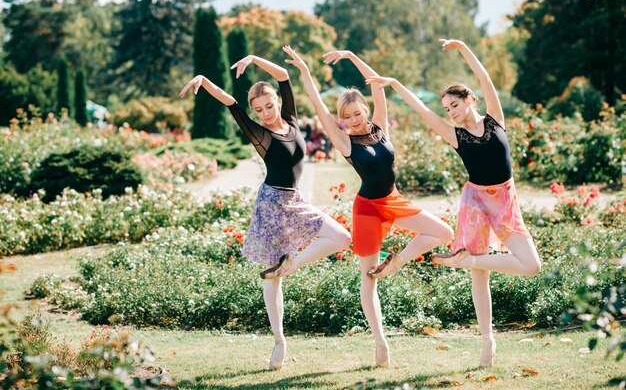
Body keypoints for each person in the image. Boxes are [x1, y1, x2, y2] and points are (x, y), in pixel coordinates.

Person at [365, 38, 542, 368]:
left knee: (531, 266)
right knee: (481, 276)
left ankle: (466, 260)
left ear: (469, 99)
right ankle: (487, 342)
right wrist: (396, 85)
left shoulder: (495, 119)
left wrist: (462, 47)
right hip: (475, 202)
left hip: (505, 200)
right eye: (447, 108)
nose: (450, 111)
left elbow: (486, 78)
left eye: (454, 105)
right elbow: (422, 111)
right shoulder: (454, 135)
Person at [283, 45, 453, 368]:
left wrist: (349, 56)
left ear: (364, 109)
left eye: (357, 113)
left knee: (442, 231)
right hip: (367, 210)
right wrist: (305, 72)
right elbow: (318, 106)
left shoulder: (380, 126)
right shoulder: (346, 142)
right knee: (368, 279)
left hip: (394, 200)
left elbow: (376, 84)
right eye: (347, 117)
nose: (354, 120)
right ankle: (380, 342)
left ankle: (397, 262)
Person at [179, 54, 350, 371]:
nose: (265, 113)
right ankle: (279, 341)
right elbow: (231, 102)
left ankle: (291, 264)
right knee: (272, 281)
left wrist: (255, 59)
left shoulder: (292, 119)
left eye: (268, 106)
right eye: (259, 110)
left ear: (276, 102)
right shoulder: (260, 134)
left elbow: (284, 75)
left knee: (341, 237)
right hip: (272, 206)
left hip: (295, 200)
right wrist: (203, 81)